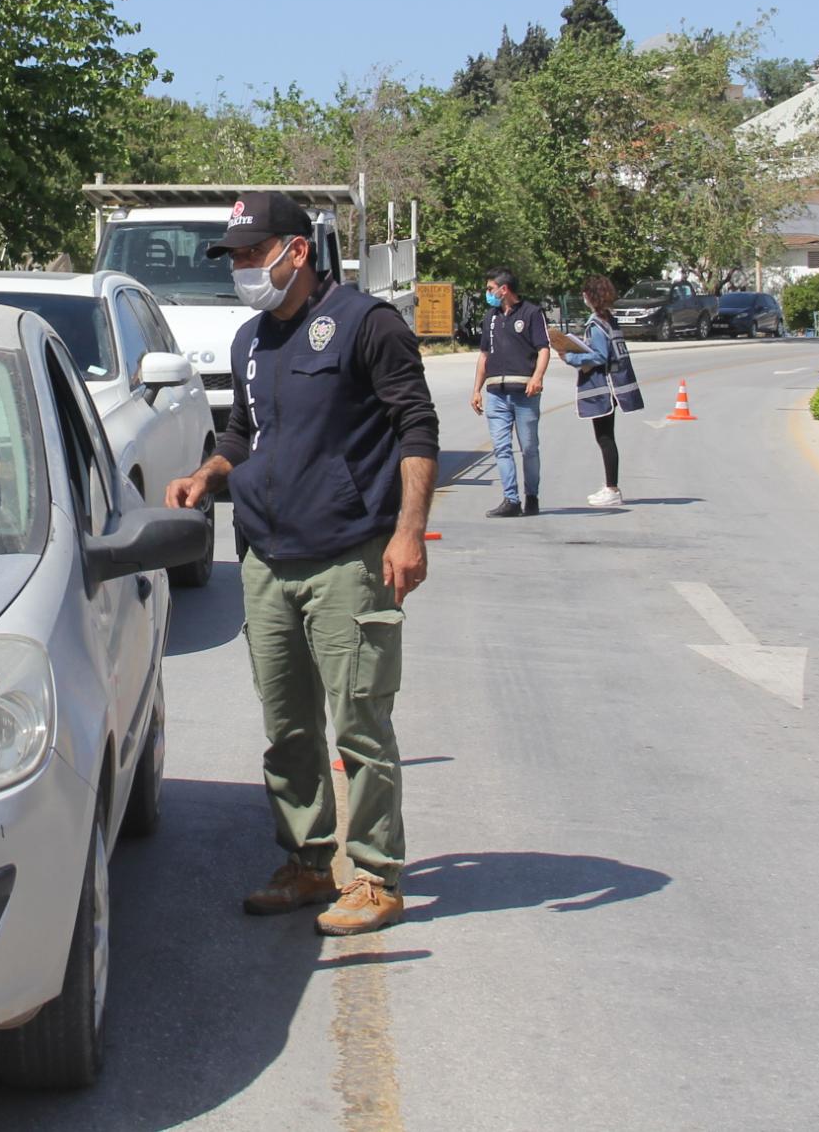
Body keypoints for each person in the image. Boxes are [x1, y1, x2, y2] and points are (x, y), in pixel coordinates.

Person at [164, 191, 437, 938]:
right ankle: (309, 862)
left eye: (255, 252)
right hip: (267, 560)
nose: (244, 268)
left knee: (359, 725)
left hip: (349, 556)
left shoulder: (365, 325)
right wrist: (208, 474)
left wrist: (409, 531)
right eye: (237, 257)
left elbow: (417, 424)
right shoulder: (251, 340)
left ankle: (377, 874)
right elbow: (242, 432)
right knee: (287, 729)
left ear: (298, 251)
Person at [548, 275, 642, 508]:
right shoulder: (609, 319)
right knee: (606, 437)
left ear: (591, 296)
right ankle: (611, 486)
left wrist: (571, 356)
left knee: (605, 438)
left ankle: (612, 489)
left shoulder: (596, 323)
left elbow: (600, 355)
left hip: (604, 387)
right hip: (616, 386)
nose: (583, 297)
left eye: (585, 293)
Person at [467, 268, 548, 516]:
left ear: (504, 290)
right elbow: (484, 355)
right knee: (501, 448)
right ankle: (510, 500)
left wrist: (537, 377)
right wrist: (477, 389)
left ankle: (531, 496)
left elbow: (544, 349)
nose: (487, 294)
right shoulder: (490, 317)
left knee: (529, 448)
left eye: (490, 289)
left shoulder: (532, 313)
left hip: (525, 392)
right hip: (497, 394)